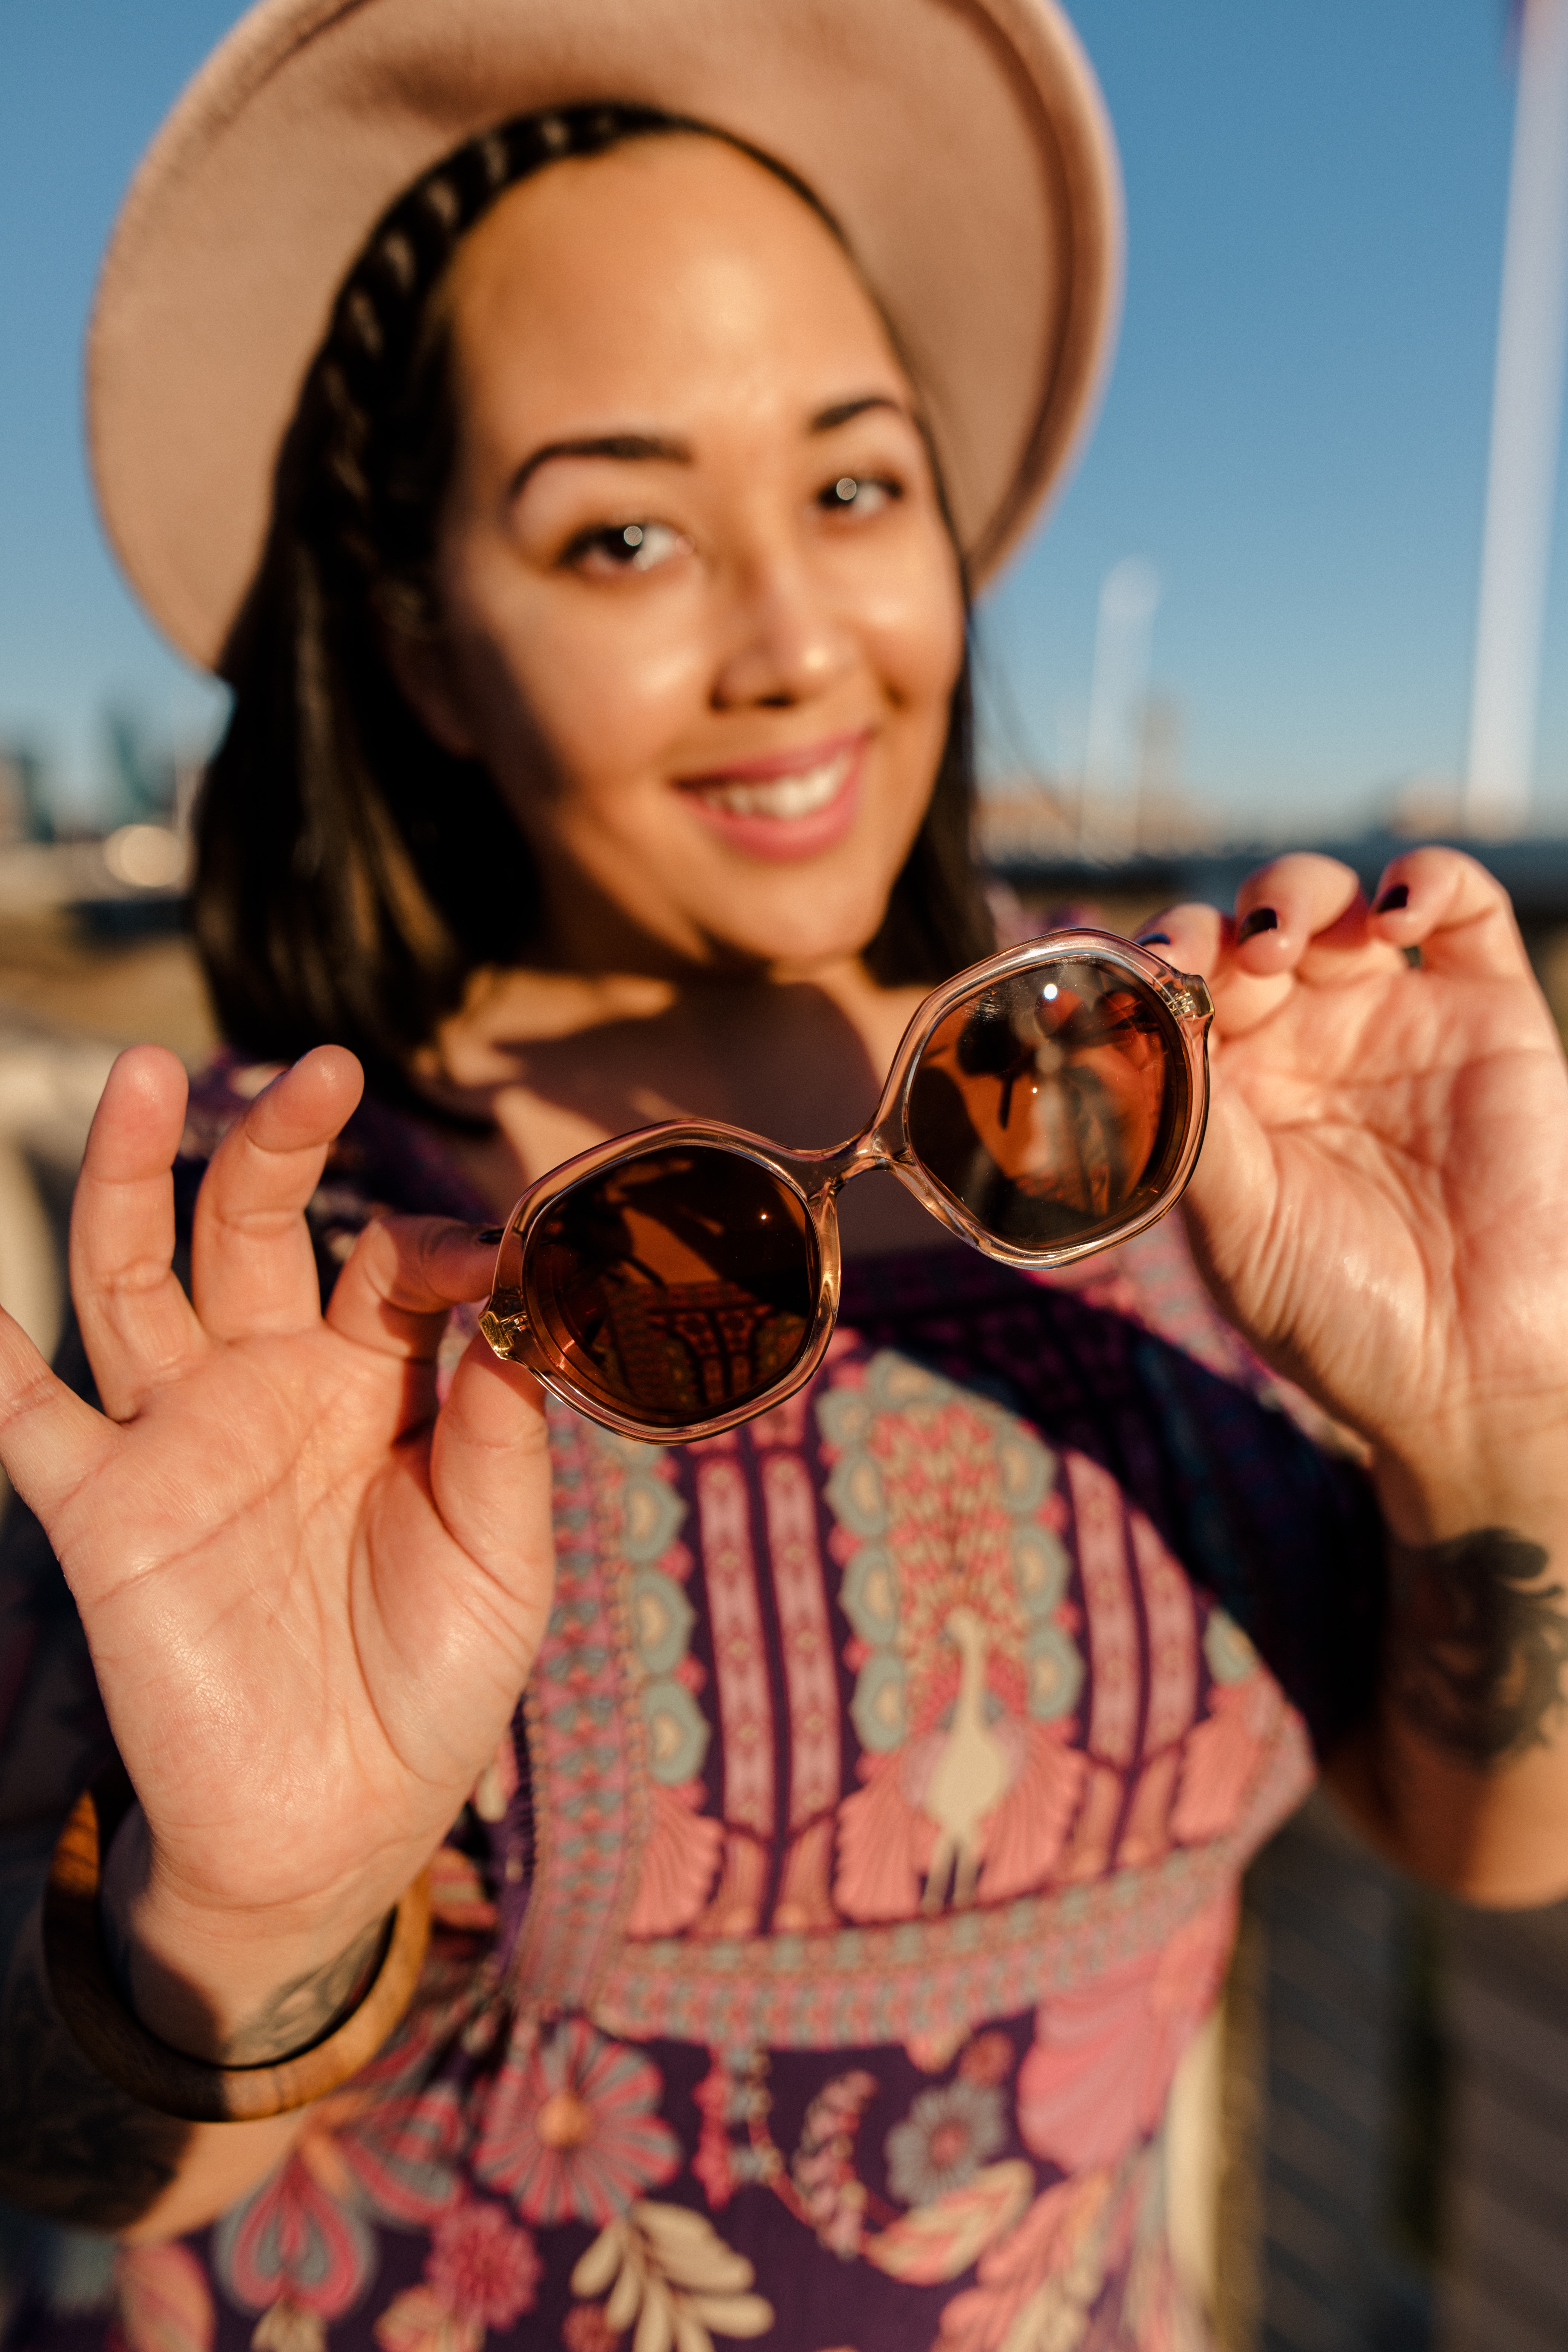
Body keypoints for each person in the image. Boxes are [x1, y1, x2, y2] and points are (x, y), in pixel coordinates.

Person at [2, 2, 1567, 2344]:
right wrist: (240, 1914)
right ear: (426, 650)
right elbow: (65, 2153)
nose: (794, 644)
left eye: (851, 491)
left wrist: (1499, 1420)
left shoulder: (1157, 1115)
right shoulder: (290, 1258)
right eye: (623, 533)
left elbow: (1482, 1830)